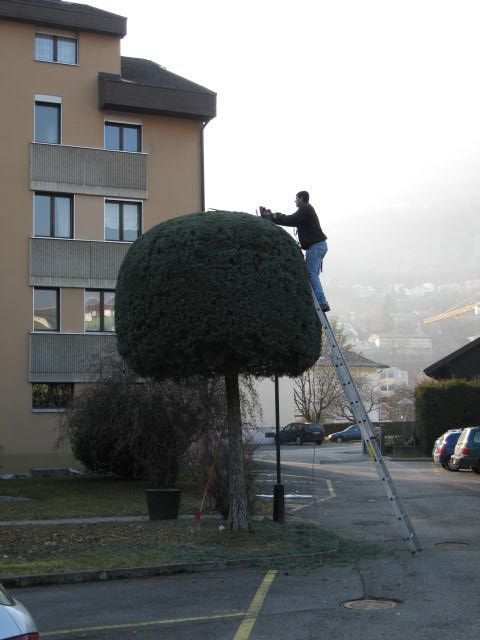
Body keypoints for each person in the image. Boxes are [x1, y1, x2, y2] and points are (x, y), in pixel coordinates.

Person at [259, 191, 330, 312]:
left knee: (311, 274)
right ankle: (319, 301)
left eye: (296, 198)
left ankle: (322, 303)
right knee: (313, 275)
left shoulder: (305, 208)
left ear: (301, 199)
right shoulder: (307, 210)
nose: (295, 201)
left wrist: (273, 217)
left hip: (316, 246)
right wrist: (274, 215)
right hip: (318, 246)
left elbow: (292, 220)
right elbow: (293, 220)